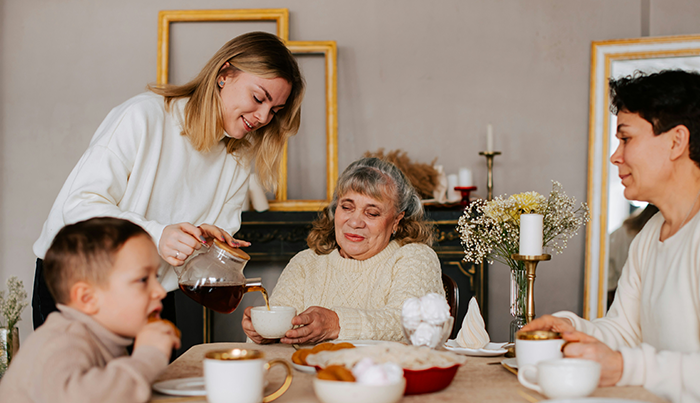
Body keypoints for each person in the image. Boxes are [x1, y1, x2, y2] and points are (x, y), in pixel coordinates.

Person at [31, 31, 305, 348]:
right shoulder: (143, 117)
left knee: (157, 393)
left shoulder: (238, 155)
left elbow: (211, 243)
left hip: (150, 293)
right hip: (79, 283)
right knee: (84, 395)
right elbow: (78, 208)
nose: (262, 117)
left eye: (275, 110)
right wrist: (157, 235)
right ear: (224, 75)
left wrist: (205, 240)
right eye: (259, 98)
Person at [521, 70, 700, 403]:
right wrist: (572, 330)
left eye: (626, 139)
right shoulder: (649, 236)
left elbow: (627, 360)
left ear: (677, 142)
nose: (615, 156)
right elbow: (626, 332)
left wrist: (625, 368)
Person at [0, 217, 181, 403]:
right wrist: (147, 357)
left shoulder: (105, 339)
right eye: (143, 280)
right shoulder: (61, 340)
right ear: (87, 298)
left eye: (156, 278)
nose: (159, 291)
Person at [242, 157, 444, 344]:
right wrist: (264, 334)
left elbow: (411, 325)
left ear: (396, 222)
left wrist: (338, 323)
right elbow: (276, 333)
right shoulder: (305, 263)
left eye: (371, 213)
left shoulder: (415, 257)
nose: (355, 222)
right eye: (347, 207)